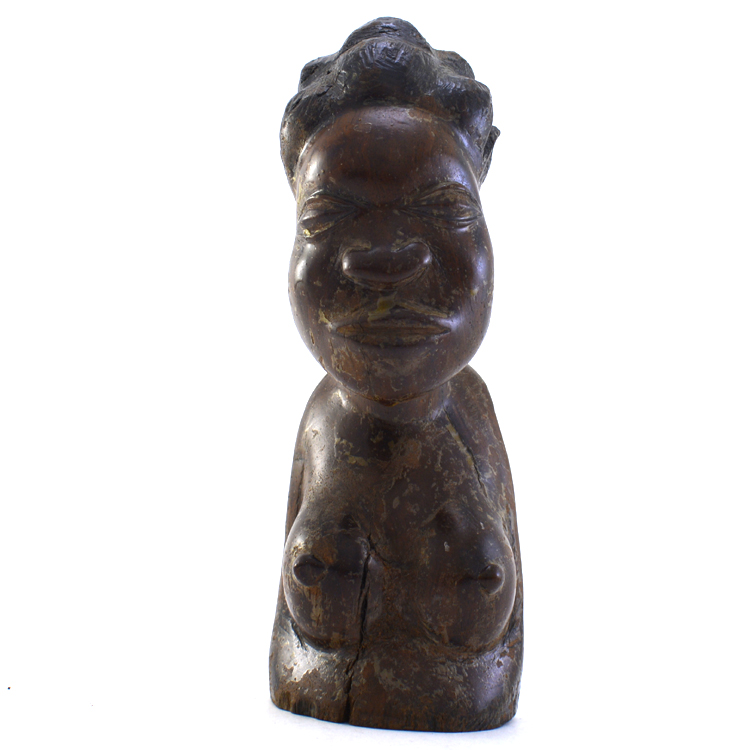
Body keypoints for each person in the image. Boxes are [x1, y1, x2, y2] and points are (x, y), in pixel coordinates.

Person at [269, 18, 522, 732]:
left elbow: (511, 631)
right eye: (329, 215)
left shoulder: (471, 411)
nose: (384, 257)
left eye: (443, 208)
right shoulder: (323, 420)